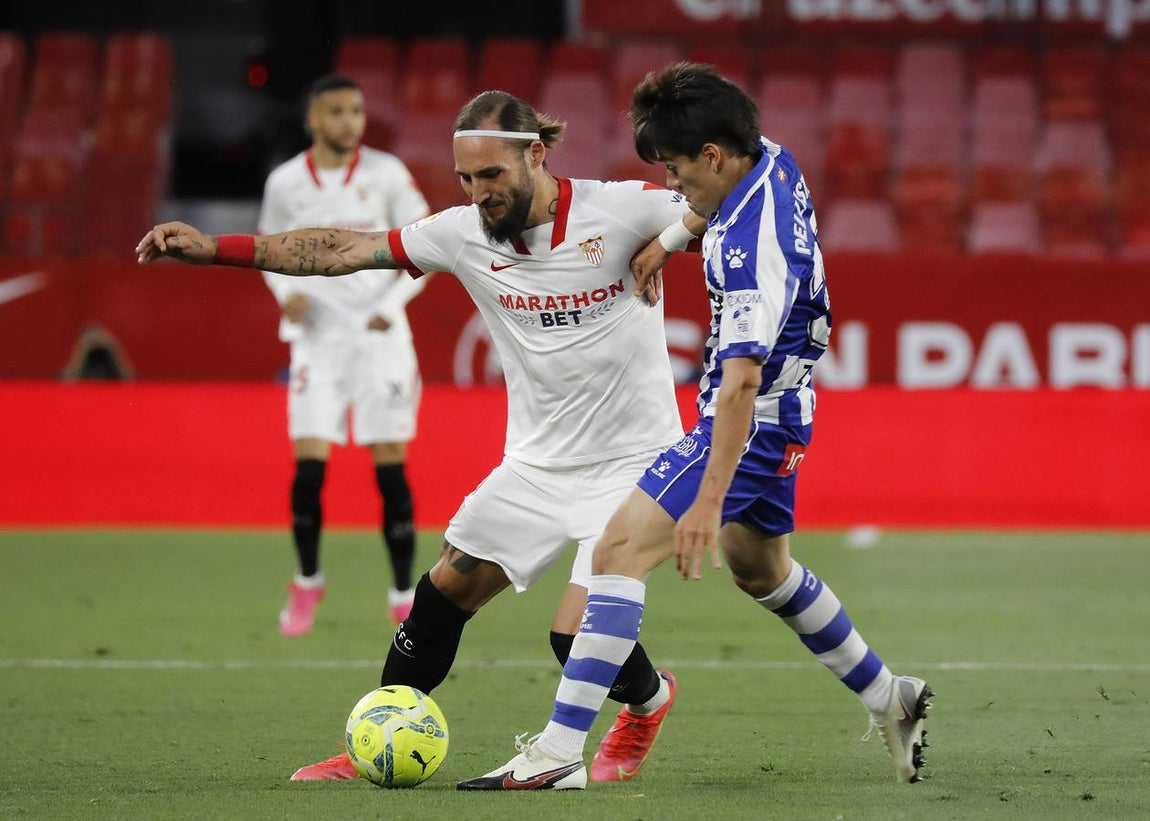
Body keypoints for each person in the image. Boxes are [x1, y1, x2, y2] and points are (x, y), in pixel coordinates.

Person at [137, 90, 709, 784]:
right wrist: (218, 250)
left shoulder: (623, 209)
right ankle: (369, 744)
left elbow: (730, 193)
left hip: (633, 465)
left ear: (535, 154)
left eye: (491, 176)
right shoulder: (462, 231)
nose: (479, 194)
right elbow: (342, 247)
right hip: (536, 462)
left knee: (570, 633)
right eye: (466, 179)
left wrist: (674, 237)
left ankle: (647, 703)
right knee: (444, 588)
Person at [457, 63, 934, 792]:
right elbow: (712, 182)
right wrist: (675, 234)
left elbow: (739, 381)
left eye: (679, 173)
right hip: (794, 409)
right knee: (763, 571)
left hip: (746, 422)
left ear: (713, 155)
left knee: (617, 549)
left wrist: (708, 500)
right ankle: (887, 694)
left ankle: (556, 751)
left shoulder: (749, 251)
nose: (675, 188)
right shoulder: (767, 157)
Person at [259, 75, 431, 637]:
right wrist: (288, 295)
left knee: (390, 471)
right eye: (335, 111)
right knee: (309, 470)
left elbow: (424, 243)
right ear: (313, 118)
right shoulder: (286, 182)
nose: (348, 121)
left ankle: (404, 595)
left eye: (355, 111)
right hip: (317, 341)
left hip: (380, 338)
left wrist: (395, 301)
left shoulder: (387, 174)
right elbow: (267, 249)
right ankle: (307, 581)